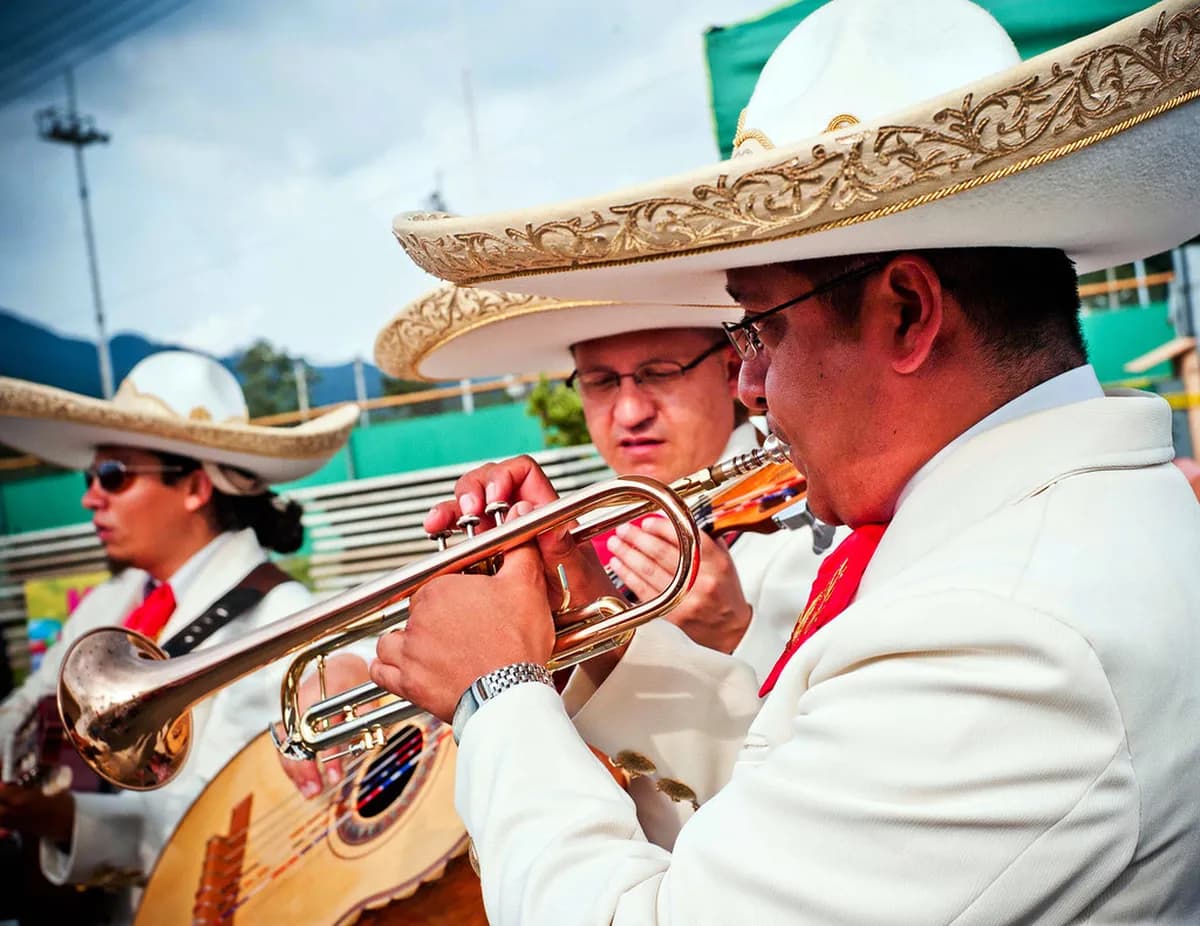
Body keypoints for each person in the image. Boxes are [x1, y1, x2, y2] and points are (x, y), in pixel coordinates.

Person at [375, 0, 1200, 922]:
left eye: (760, 328)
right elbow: (810, 795)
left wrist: (498, 696)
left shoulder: (1002, 621)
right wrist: (599, 622)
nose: (753, 386)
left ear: (906, 312)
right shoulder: (1029, 542)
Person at [367, 284, 835, 843]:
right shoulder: (577, 514)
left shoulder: (817, 512)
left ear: (732, 368)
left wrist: (737, 633)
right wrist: (365, 666)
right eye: (601, 381)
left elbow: (820, 785)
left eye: (662, 372)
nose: (631, 411)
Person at [0, 351, 357, 925]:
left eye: (113, 475)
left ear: (194, 486)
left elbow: (210, 827)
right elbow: (25, 706)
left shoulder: (281, 617)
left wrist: (62, 819)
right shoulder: (108, 603)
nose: (91, 496)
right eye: (92, 477)